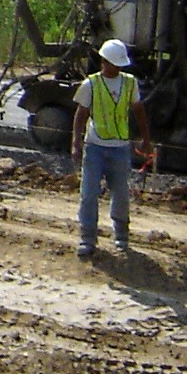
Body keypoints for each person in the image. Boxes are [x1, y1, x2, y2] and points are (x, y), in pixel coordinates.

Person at [71, 37, 154, 259]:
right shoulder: (91, 84)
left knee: (121, 194)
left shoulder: (129, 83)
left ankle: (121, 236)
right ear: (104, 62)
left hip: (120, 148)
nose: (116, 68)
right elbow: (81, 114)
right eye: (112, 63)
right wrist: (76, 142)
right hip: (95, 146)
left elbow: (139, 111)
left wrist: (146, 139)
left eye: (119, 64)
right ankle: (87, 238)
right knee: (89, 193)